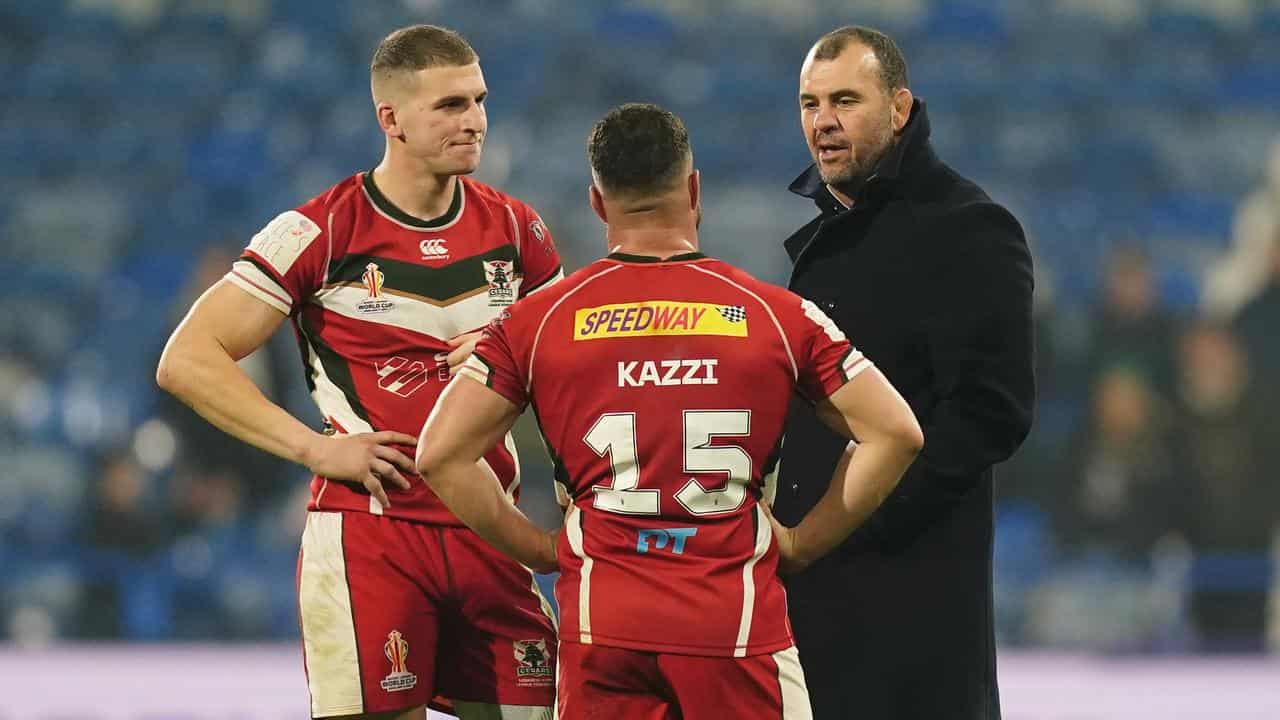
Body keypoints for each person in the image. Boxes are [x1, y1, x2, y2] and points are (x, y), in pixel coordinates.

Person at [414, 103, 923, 720]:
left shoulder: (535, 320)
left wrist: (542, 550)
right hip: (732, 627)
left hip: (602, 629)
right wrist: (798, 545)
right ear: (694, 190)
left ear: (598, 203)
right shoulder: (775, 315)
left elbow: (439, 454)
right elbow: (895, 433)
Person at [156, 24, 563, 720]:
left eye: (478, 101)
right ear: (391, 119)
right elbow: (187, 360)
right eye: (450, 106)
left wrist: (514, 353)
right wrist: (315, 449)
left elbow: (571, 373)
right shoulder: (323, 231)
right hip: (372, 535)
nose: (474, 121)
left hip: (489, 529)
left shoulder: (518, 230)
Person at [774, 26, 1036, 719]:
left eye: (844, 101)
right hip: (822, 599)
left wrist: (857, 516)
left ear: (899, 109)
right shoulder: (835, 234)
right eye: (809, 103)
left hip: (915, 610)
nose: (822, 121)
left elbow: (991, 411)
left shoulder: (970, 228)